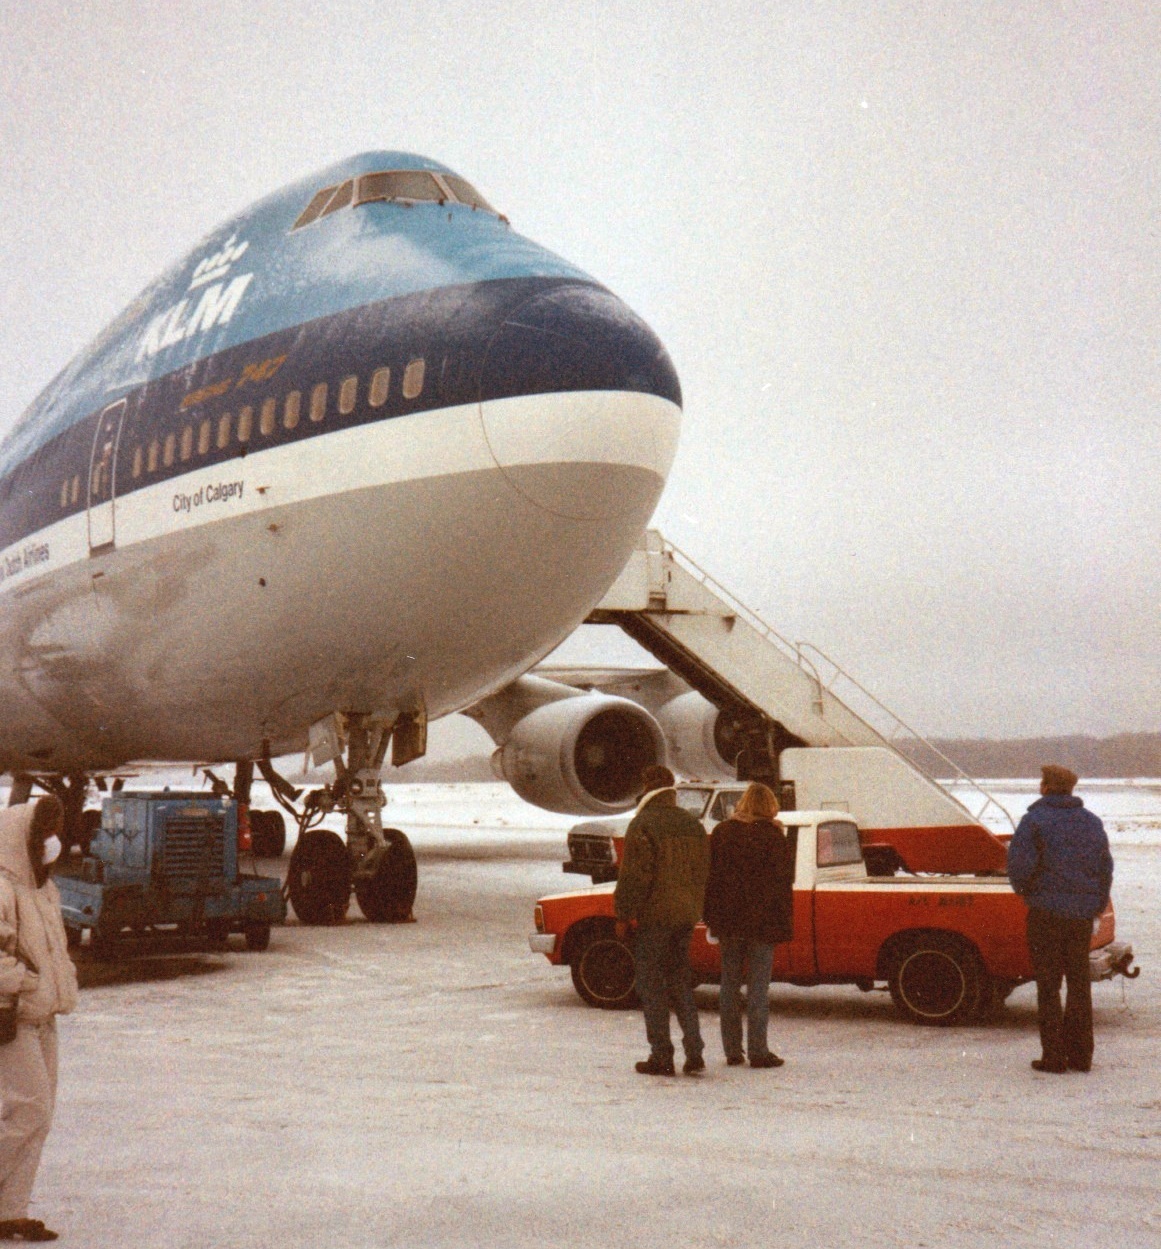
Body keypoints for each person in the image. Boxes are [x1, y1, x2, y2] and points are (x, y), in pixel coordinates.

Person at [0, 796, 78, 1242]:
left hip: (44, 1016)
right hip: (12, 1017)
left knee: (39, 1116)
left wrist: (56, 985)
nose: (52, 842)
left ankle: (11, 1211)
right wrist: (28, 983)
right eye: (42, 834)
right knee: (29, 1111)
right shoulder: (3, 888)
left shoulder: (45, 889)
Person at [1007, 765, 1113, 1075]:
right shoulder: (1092, 823)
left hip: (1046, 915)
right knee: (1079, 985)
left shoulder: (1034, 821)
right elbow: (1105, 869)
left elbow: (1019, 866)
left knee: (1049, 986)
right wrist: (1095, 904)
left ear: (1046, 787)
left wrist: (1028, 893)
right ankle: (1081, 1057)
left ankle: (1053, 1057)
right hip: (1080, 917)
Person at [614, 765, 710, 1076]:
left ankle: (661, 1054)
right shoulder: (691, 823)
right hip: (686, 915)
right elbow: (703, 872)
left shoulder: (644, 823)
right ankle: (694, 1049)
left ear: (646, 787)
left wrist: (624, 913)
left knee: (651, 985)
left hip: (655, 916)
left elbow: (635, 876)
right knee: (680, 981)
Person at [702, 781, 794, 1069]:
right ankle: (758, 1050)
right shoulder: (774, 837)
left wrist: (711, 917)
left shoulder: (722, 832)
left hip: (729, 921)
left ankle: (732, 1050)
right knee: (758, 989)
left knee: (729, 985)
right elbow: (783, 884)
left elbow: (711, 879)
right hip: (763, 923)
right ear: (769, 807)